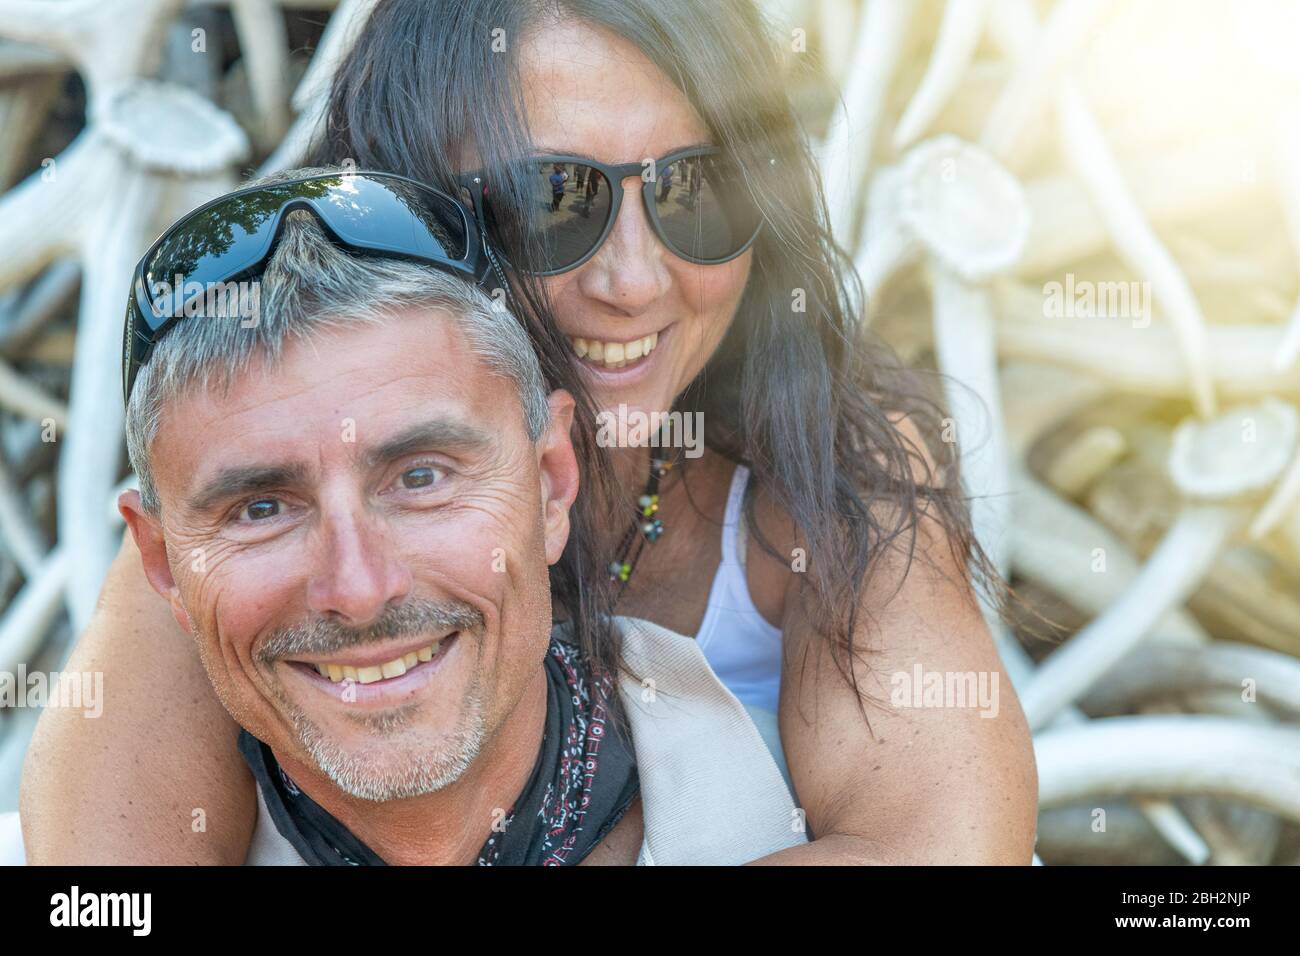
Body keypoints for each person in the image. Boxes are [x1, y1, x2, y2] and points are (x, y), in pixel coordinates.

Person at [22, 0, 1038, 865]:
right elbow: (106, 879)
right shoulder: (259, 513)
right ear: (414, 210)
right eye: (554, 201)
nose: (635, 280)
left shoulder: (822, 458)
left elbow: (940, 846)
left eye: (694, 189)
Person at [113, 170, 804, 866]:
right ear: (165, 564)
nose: (358, 591)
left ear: (549, 483)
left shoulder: (795, 814)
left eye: (420, 478)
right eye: (260, 509)